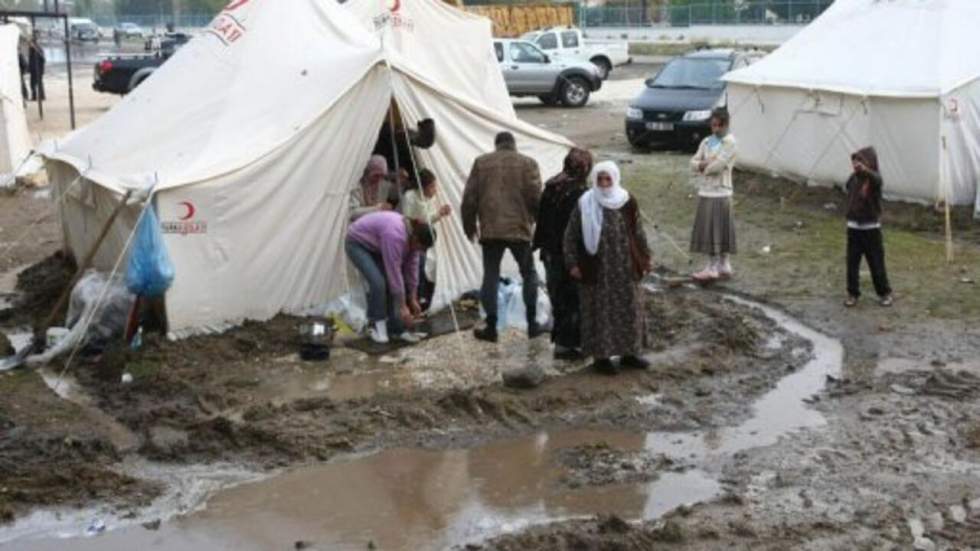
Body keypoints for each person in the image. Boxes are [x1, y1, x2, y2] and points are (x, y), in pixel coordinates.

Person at [564, 161, 652, 375]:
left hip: (625, 266)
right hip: (596, 269)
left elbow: (637, 231)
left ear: (615, 178)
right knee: (599, 310)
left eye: (608, 179)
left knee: (629, 307)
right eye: (600, 179)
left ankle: (630, 353)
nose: (604, 183)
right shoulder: (585, 203)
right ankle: (601, 357)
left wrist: (645, 257)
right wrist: (572, 263)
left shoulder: (627, 201)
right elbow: (570, 235)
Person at [462, 131, 543, 343]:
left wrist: (469, 226)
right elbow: (536, 199)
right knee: (529, 273)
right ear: (514, 145)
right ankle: (533, 324)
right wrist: (535, 223)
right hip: (519, 229)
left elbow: (469, 198)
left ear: (496, 144)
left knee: (490, 274)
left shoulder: (481, 163)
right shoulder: (529, 164)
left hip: (491, 229)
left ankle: (491, 326)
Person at [533, 147, 593, 360]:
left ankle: (564, 342)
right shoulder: (579, 192)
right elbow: (579, 229)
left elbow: (540, 218)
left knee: (558, 297)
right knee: (572, 300)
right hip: (567, 255)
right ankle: (566, 346)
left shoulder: (552, 184)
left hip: (549, 252)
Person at [345, 211, 436, 344]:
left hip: (376, 244)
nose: (420, 251)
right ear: (415, 238)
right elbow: (394, 272)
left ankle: (395, 328)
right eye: (420, 247)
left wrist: (413, 298)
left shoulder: (413, 240)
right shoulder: (395, 236)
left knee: (391, 283)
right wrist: (403, 307)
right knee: (378, 282)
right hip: (357, 243)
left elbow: (412, 270)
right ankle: (375, 324)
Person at [689, 108, 737, 282]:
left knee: (718, 229)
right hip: (706, 191)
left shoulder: (730, 143)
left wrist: (704, 166)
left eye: (719, 126)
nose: (715, 129)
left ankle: (716, 266)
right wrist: (704, 164)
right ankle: (721, 266)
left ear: (726, 125)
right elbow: (692, 162)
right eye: (713, 125)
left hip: (721, 192)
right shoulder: (707, 141)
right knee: (710, 228)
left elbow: (717, 167)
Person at [844, 147, 893, 308]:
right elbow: (847, 188)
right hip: (853, 228)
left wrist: (866, 171)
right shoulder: (853, 179)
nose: (856, 164)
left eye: (860, 161)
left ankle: (884, 293)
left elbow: (877, 181)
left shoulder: (874, 179)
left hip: (871, 229)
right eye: (855, 161)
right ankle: (852, 294)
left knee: (876, 263)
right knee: (852, 263)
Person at [401, 168, 451, 310]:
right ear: (423, 187)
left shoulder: (429, 199)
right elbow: (409, 221)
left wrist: (439, 214)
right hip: (411, 238)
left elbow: (426, 221)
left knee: (432, 260)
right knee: (420, 261)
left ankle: (424, 295)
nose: (435, 190)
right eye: (432, 186)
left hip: (424, 237)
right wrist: (437, 215)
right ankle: (416, 297)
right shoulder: (410, 197)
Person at [350, 155, 398, 222]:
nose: (379, 179)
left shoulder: (383, 184)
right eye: (376, 175)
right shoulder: (357, 186)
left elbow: (395, 194)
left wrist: (400, 181)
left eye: (382, 176)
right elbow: (352, 213)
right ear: (367, 172)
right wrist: (377, 209)